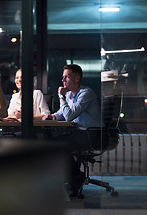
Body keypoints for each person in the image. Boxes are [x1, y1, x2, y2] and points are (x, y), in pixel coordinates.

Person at [42, 64, 103, 197]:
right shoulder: (69, 94)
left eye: (67, 77)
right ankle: (75, 177)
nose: (63, 80)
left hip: (91, 135)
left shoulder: (86, 94)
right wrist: (53, 116)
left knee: (56, 145)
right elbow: (62, 113)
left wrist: (61, 97)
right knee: (52, 144)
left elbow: (70, 115)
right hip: (79, 134)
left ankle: (75, 178)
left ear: (77, 79)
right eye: (62, 77)